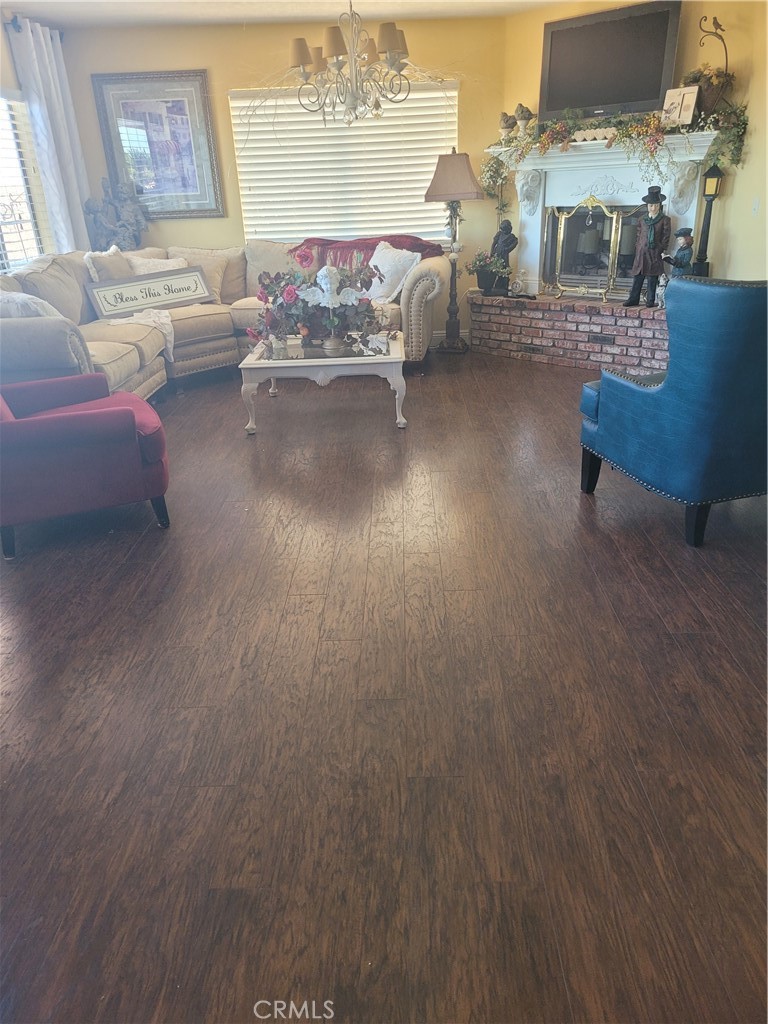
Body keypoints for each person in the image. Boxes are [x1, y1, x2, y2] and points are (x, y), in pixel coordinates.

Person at [622, 185, 671, 308]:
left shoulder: (664, 220)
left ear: (659, 205)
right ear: (647, 206)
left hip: (654, 253)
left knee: (652, 277)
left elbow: (666, 236)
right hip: (641, 252)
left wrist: (660, 248)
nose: (653, 208)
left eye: (655, 205)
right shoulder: (642, 219)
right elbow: (638, 234)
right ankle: (633, 298)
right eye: (650, 205)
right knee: (638, 277)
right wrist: (638, 247)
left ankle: (650, 300)